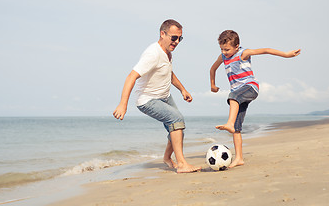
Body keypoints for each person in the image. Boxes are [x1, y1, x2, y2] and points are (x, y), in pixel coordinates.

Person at [113, 19, 201, 173]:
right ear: (163, 34)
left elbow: (169, 72)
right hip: (148, 100)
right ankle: (181, 164)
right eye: (174, 37)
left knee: (177, 128)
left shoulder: (168, 52)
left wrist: (183, 90)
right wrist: (123, 104)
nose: (177, 42)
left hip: (164, 96)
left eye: (180, 38)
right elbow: (131, 76)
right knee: (177, 120)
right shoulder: (152, 54)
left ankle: (167, 158)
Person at [210, 30, 301, 168]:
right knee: (236, 128)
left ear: (237, 46)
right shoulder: (223, 57)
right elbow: (212, 69)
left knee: (232, 97)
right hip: (239, 94)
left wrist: (286, 54)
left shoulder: (243, 53)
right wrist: (212, 84)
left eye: (227, 49)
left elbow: (266, 50)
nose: (225, 52)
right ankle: (239, 158)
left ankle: (229, 122)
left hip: (250, 88)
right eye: (222, 49)